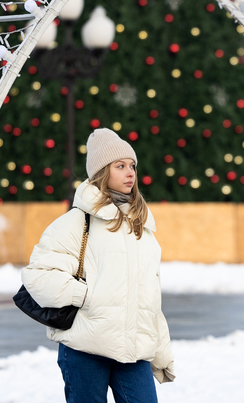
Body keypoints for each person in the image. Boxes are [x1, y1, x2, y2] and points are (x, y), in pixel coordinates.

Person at [22, 128, 175, 403]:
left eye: (132, 166)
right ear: (102, 172)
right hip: (85, 350)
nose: (130, 172)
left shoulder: (143, 229)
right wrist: (85, 296)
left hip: (132, 355)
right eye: (120, 166)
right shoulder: (76, 222)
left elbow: (150, 298)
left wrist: (161, 352)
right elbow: (37, 276)